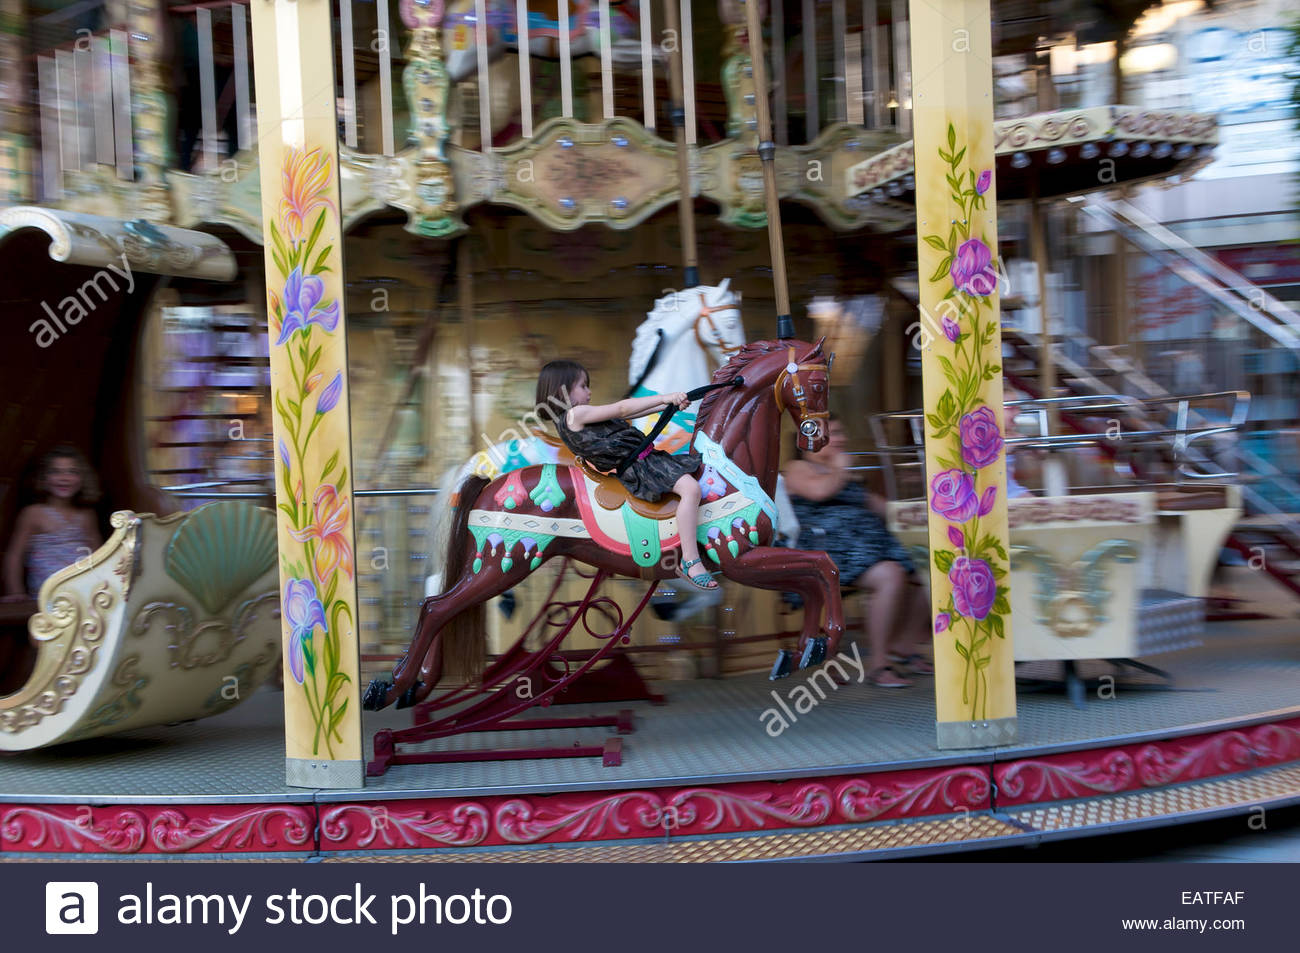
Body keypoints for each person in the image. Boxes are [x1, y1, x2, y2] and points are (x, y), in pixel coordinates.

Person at [536, 360, 717, 591]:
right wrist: (665, 398)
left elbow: (632, 410)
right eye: (582, 386)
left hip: (645, 462)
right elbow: (622, 409)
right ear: (562, 390)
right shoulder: (574, 415)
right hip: (644, 467)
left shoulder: (570, 420)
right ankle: (691, 560)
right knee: (691, 489)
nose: (589, 391)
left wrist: (668, 405)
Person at [783, 420, 932, 688]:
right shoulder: (798, 468)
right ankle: (879, 664)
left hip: (865, 546)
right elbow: (819, 492)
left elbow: (881, 507)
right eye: (831, 433)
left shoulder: (842, 473)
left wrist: (924, 515)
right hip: (827, 551)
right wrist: (839, 469)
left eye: (840, 431)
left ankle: (904, 645)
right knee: (891, 575)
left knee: (929, 566)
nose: (839, 438)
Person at [2, 446, 103, 602]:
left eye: (72, 472)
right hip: (48, 594)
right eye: (56, 471)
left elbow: (99, 557)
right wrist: (15, 592)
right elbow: (15, 556)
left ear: (83, 478)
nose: (64, 478)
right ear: (44, 478)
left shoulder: (87, 516)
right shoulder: (33, 514)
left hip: (84, 593)